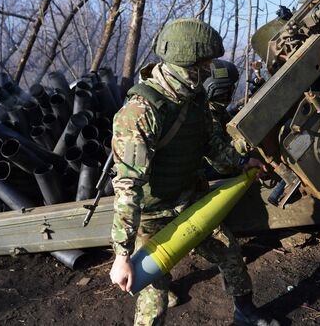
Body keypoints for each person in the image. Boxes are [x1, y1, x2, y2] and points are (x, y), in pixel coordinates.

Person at [109, 18, 279, 326]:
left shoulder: (196, 98)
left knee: (229, 252)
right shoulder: (139, 113)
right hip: (150, 214)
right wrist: (122, 254)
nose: (209, 69)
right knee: (153, 292)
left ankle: (245, 312)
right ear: (187, 63)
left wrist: (242, 164)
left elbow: (211, 144)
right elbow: (128, 187)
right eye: (205, 63)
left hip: (190, 200)